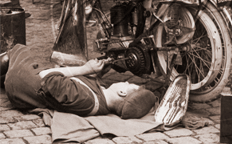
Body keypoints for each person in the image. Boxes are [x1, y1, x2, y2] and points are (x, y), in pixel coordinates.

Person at [3, 44, 156, 119]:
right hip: (29, 85)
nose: (127, 82)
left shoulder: (85, 100)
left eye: (129, 84)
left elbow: (45, 76)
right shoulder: (101, 99)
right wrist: (99, 72)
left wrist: (85, 69)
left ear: (122, 92)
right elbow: (84, 85)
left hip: (21, 83)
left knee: (19, 49)